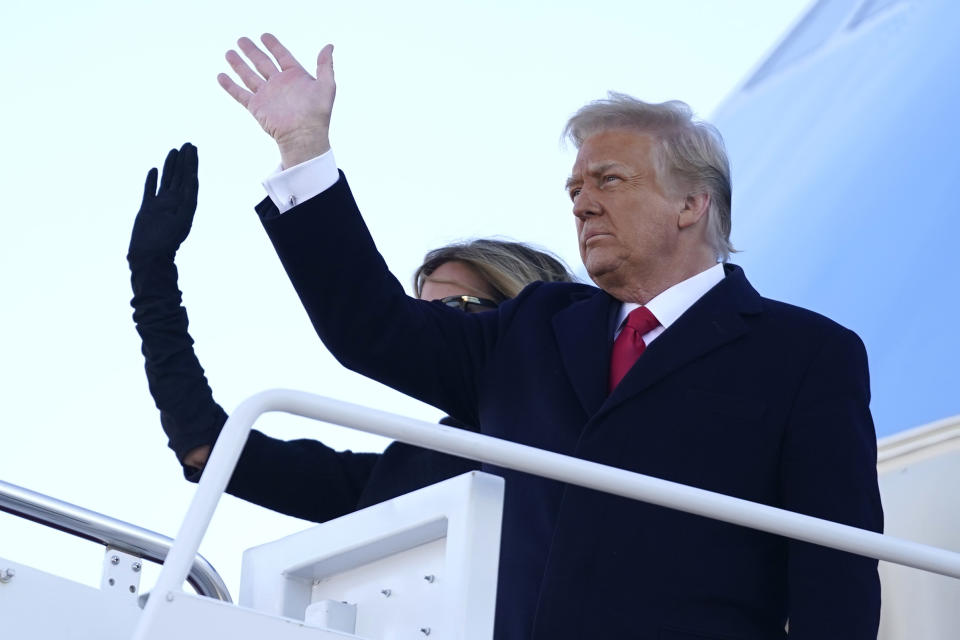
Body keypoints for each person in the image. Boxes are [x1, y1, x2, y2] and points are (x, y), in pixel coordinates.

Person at [216, 34, 883, 640]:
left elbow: (837, 581)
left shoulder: (806, 354)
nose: (583, 203)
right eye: (574, 189)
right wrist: (305, 150)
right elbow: (372, 330)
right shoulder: (531, 326)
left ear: (691, 203)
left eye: (609, 181)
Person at [127, 142, 575, 521]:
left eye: (456, 308)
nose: (431, 328)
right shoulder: (403, 472)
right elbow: (207, 445)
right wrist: (152, 277)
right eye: (420, 313)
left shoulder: (597, 424)